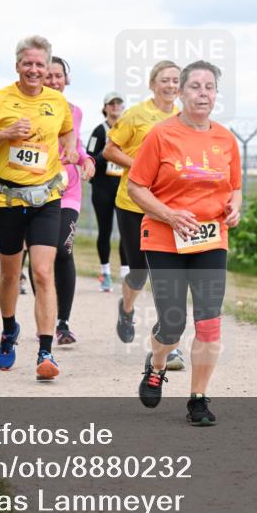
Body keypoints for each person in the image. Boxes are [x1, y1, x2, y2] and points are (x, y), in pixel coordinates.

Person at [128, 60, 241, 426]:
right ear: (181, 92)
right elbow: (136, 186)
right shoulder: (161, 135)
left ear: (216, 94)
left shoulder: (225, 139)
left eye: (210, 87)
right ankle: (157, 363)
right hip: (165, 239)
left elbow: (235, 186)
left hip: (210, 239)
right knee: (172, 323)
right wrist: (170, 215)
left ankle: (199, 399)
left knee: (209, 322)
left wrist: (234, 208)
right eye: (195, 86)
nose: (203, 93)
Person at [0, 34, 78, 380]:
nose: (34, 70)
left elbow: (67, 131)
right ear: (17, 65)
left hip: (46, 197)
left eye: (40, 65)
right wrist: (5, 135)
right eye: (27, 63)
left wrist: (70, 152)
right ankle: (8, 329)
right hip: (7, 199)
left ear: (48, 68)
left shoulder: (56, 102)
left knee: (44, 273)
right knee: (11, 275)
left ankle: (46, 352)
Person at [103, 60, 186, 371]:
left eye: (176, 80)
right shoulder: (136, 115)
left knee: (167, 275)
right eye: (164, 80)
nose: (170, 85)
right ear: (152, 84)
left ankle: (169, 345)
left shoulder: (185, 119)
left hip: (168, 209)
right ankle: (126, 308)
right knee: (139, 271)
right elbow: (110, 150)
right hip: (133, 203)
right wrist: (139, 168)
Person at [32, 55, 94, 345]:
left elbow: (76, 143)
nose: (54, 81)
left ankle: (63, 322)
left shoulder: (75, 111)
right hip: (36, 188)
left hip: (67, 189)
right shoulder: (31, 109)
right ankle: (45, 316)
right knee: (41, 261)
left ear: (66, 79)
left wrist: (86, 159)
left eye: (59, 76)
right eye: (49, 76)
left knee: (63, 251)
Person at [87, 91, 128, 292]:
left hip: (124, 187)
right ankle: (105, 272)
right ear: (105, 108)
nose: (115, 107)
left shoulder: (129, 130)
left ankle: (125, 274)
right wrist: (109, 153)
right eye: (111, 104)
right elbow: (90, 158)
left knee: (126, 232)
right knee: (105, 230)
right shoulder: (99, 131)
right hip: (103, 187)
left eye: (118, 103)